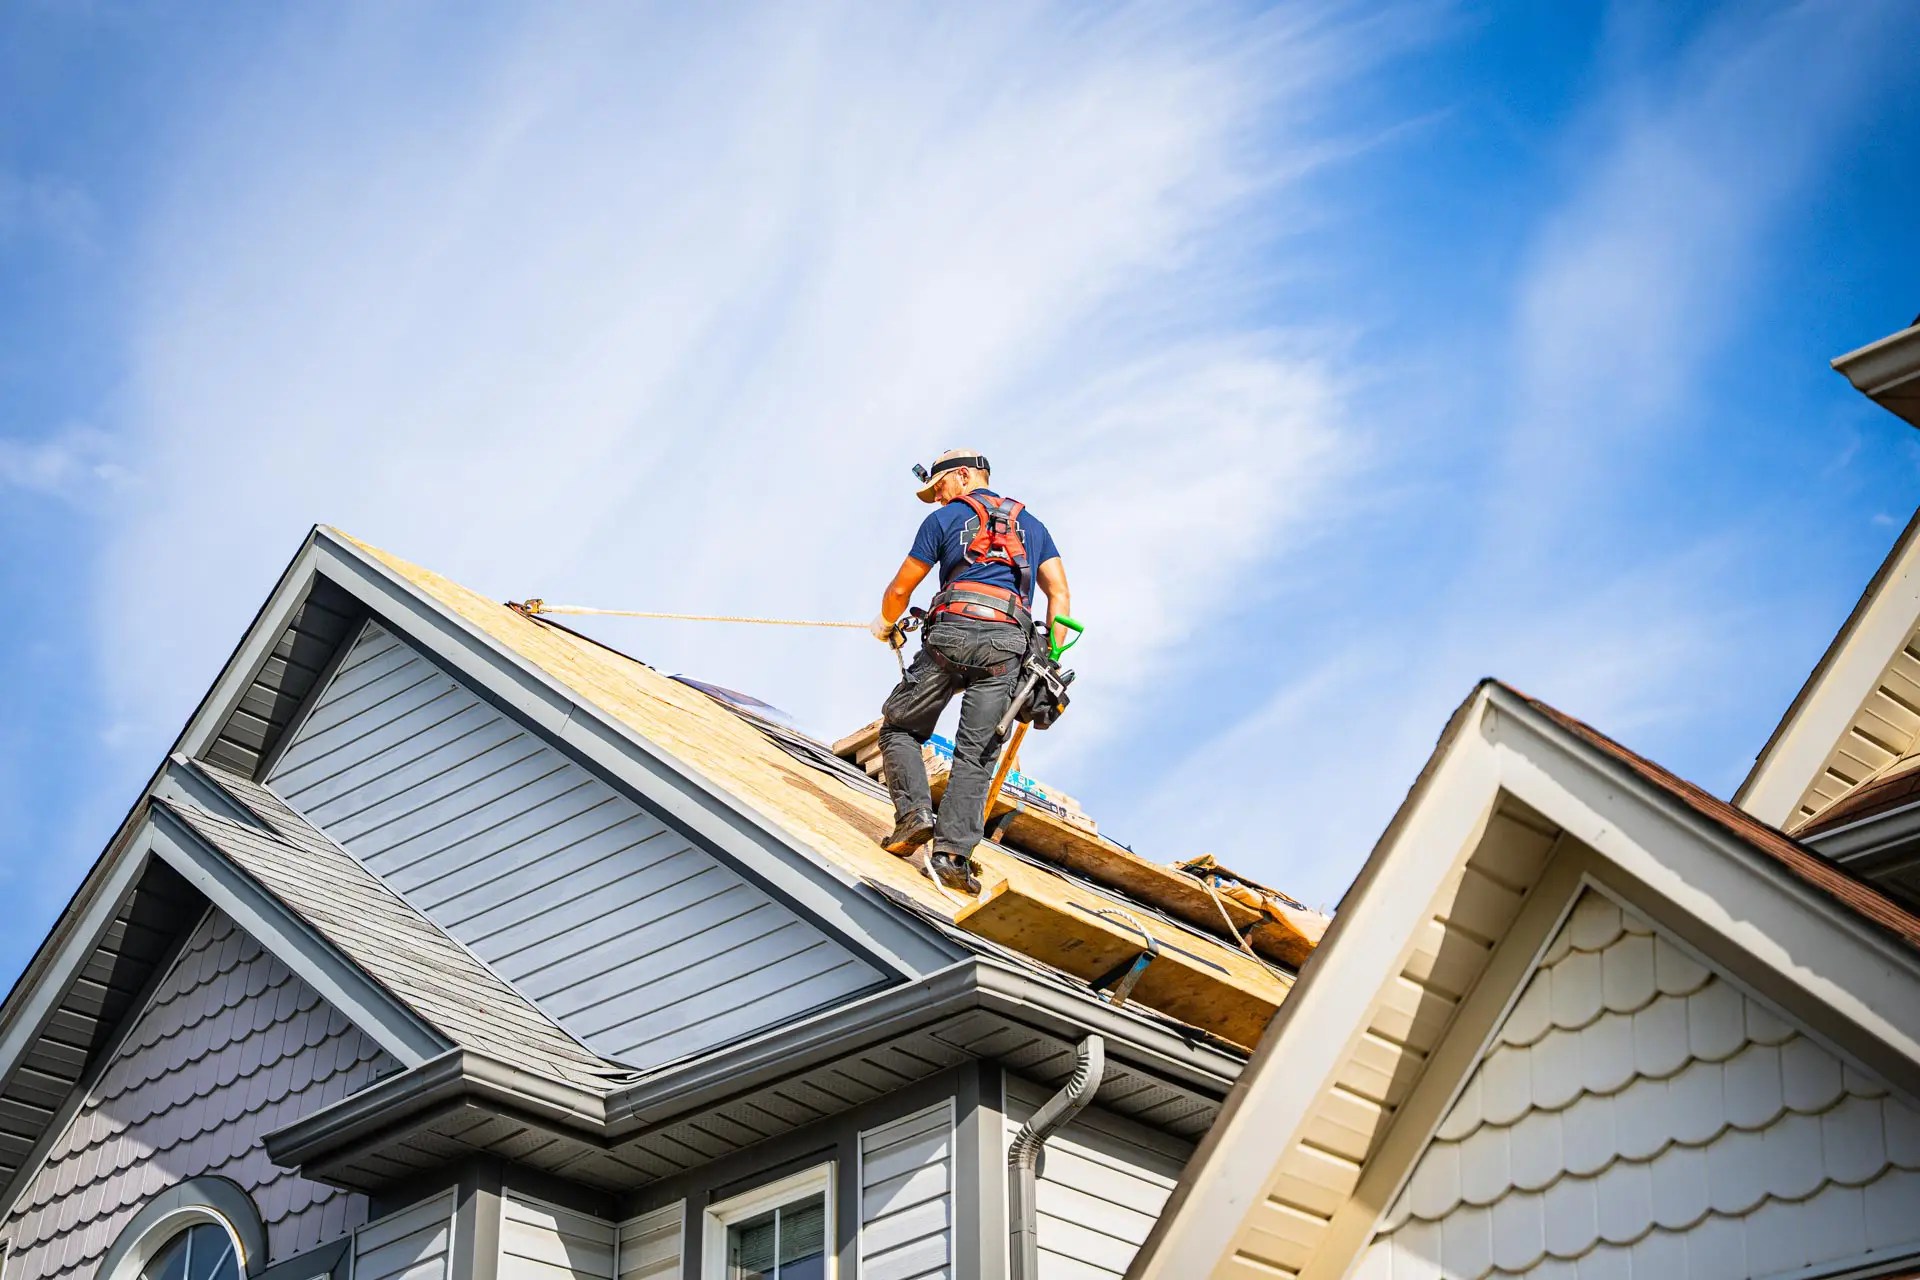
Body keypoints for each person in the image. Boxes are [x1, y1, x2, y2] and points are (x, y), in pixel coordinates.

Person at [868, 450, 1071, 893]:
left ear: (962, 476)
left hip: (951, 635)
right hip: (1007, 646)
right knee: (977, 754)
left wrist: (885, 624)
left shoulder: (944, 522)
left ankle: (914, 816)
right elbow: (1059, 593)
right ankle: (951, 860)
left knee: (899, 728)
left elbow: (901, 588)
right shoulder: (1033, 527)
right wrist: (1048, 660)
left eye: (939, 488)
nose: (939, 500)